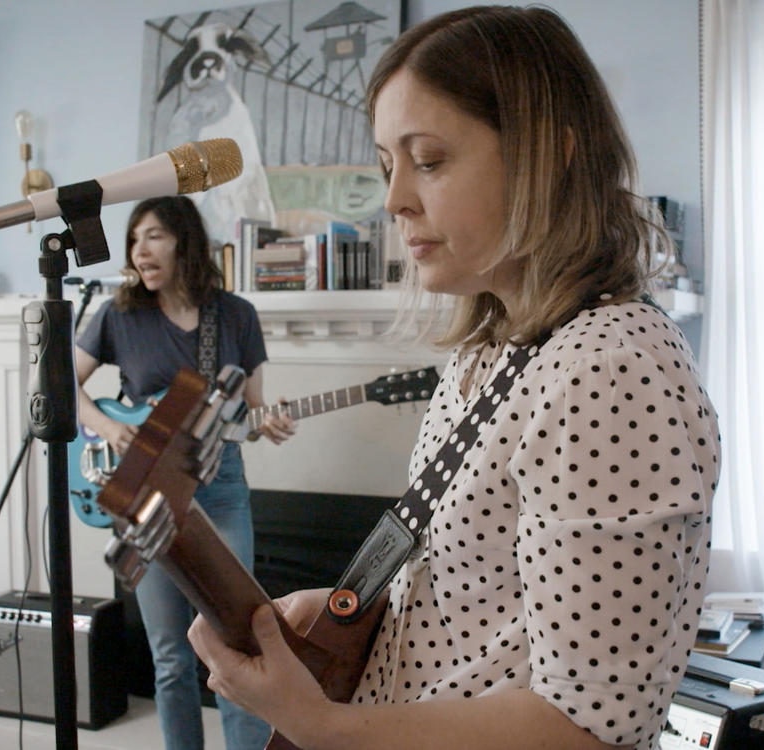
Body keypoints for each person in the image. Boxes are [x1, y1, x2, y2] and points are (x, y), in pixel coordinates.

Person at [187, 6, 720, 750]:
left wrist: (319, 725)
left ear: (550, 156)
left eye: (429, 160)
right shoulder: (494, 351)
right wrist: (351, 614)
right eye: (387, 165)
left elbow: (585, 724)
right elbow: (482, 611)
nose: (395, 198)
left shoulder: (609, 368)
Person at [74, 194, 295, 750]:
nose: (138, 249)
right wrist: (103, 424)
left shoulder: (236, 315)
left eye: (152, 236)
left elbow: (251, 409)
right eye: (133, 239)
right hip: (145, 491)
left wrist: (267, 423)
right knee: (170, 655)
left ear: (183, 242)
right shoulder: (119, 315)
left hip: (219, 493)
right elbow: (63, 383)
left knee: (237, 645)